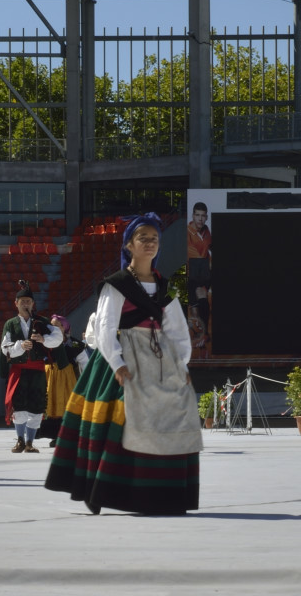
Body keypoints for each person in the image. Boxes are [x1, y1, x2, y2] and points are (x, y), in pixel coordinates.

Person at [45, 213, 202, 515]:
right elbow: (104, 328)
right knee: (119, 423)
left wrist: (181, 365)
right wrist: (116, 364)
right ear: (129, 245)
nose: (150, 243)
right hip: (122, 359)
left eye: (154, 238)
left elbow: (178, 332)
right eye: (143, 238)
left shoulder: (162, 286)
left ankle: (160, 494)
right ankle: (98, 488)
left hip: (157, 362)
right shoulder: (116, 285)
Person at [0, 279, 62, 453]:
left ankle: (29, 443)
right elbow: (5, 348)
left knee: (36, 405)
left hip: (37, 370)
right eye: (22, 301)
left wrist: (43, 340)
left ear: (33, 303)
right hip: (19, 371)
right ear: (16, 304)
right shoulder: (10, 324)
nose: (25, 304)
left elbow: (58, 338)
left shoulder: (41, 322)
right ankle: (20, 440)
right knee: (19, 405)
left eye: (28, 301)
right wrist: (20, 346)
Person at [38, 314, 84, 446]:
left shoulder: (75, 344)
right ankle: (54, 435)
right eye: (52, 325)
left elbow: (85, 363)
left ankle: (66, 436)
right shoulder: (44, 343)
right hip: (49, 378)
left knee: (65, 405)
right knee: (50, 406)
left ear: (65, 328)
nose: (54, 328)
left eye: (57, 325)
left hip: (67, 380)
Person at [185, 201, 212, 350]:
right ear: (193, 216)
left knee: (200, 300)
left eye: (203, 216)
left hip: (203, 273)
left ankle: (203, 334)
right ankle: (201, 334)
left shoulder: (207, 232)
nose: (200, 219)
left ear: (206, 217)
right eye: (197, 215)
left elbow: (209, 247)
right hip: (192, 272)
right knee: (195, 306)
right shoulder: (187, 233)